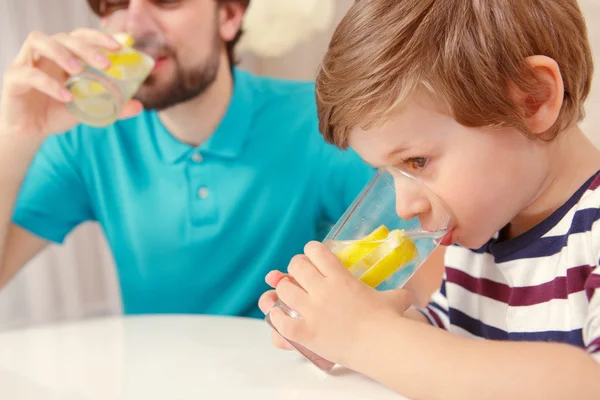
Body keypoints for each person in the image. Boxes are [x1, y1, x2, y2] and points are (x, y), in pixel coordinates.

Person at [260, 0, 600, 398]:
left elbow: (586, 383)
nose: (404, 207)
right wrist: (343, 330)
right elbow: (454, 355)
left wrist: (368, 337)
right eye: (384, 174)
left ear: (532, 99)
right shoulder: (484, 231)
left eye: (417, 162)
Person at [0, 0, 374, 318]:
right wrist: (16, 135)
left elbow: (410, 267)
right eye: (114, 3)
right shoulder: (87, 139)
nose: (133, 24)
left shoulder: (317, 120)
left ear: (228, 15)